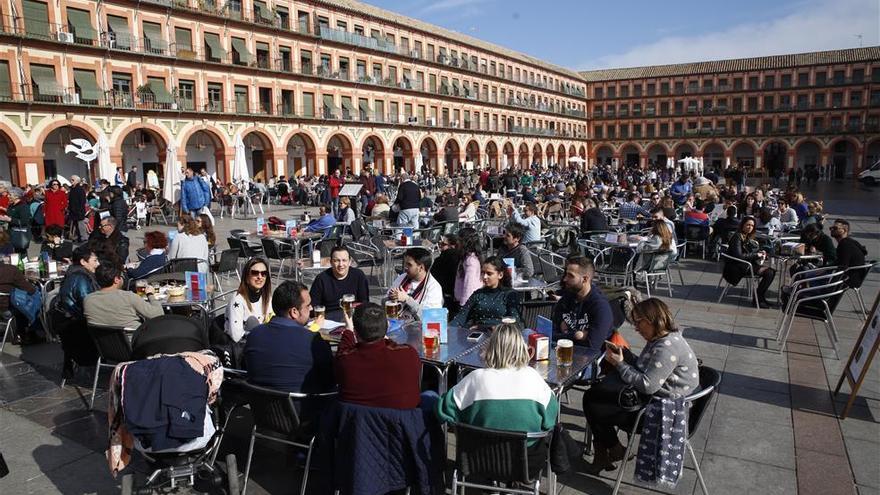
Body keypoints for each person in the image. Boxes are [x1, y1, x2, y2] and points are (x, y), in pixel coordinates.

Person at [582, 298, 698, 470]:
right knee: (596, 397)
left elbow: (648, 385)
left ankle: (613, 449)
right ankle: (606, 453)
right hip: (661, 398)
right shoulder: (665, 338)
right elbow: (650, 368)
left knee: (592, 402)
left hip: (660, 410)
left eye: (638, 322)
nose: (636, 328)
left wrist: (620, 364)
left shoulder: (666, 347)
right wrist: (626, 357)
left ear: (651, 320)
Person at [436, 322, 558, 458]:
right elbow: (550, 420)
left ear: (491, 348)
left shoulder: (475, 378)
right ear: (521, 349)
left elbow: (442, 410)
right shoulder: (534, 378)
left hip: (480, 459)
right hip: (525, 462)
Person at [243, 281, 335, 412]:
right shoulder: (312, 341)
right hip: (304, 416)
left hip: (263, 415)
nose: (311, 308)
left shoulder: (254, 335)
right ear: (294, 312)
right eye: (308, 305)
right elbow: (330, 379)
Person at [335, 302, 421, 409]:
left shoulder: (345, 360)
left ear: (356, 333)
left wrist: (348, 331)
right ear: (386, 327)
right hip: (402, 423)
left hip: (359, 423)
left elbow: (343, 351)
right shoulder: (409, 355)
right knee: (430, 395)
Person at [551, 255, 613, 349]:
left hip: (585, 358)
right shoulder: (567, 298)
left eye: (571, 276)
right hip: (559, 350)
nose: (565, 279)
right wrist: (576, 335)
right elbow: (551, 333)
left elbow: (592, 346)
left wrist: (563, 336)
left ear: (585, 279)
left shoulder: (600, 307)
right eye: (566, 274)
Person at [83, 263, 164, 329]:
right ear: (116, 280)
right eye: (122, 276)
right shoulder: (128, 297)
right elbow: (158, 314)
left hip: (104, 346)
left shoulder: (88, 300)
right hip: (135, 342)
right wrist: (150, 294)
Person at [450, 256, 521, 329]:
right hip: (478, 336)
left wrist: (486, 327)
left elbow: (515, 322)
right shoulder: (478, 294)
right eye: (483, 273)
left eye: (489, 274)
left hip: (500, 336)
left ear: (500, 275)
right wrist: (447, 329)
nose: (484, 277)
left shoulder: (509, 295)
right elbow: (461, 316)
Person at [723, 217, 776, 308]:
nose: (750, 227)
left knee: (771, 271)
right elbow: (738, 256)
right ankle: (758, 299)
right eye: (748, 225)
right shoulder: (737, 237)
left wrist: (760, 252)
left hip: (745, 264)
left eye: (752, 225)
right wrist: (756, 255)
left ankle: (760, 298)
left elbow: (748, 251)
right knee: (769, 272)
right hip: (736, 267)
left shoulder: (746, 236)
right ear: (742, 225)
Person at [309, 246, 369, 320]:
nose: (341, 264)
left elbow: (365, 303)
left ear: (350, 262)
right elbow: (313, 306)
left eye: (344, 260)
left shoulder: (358, 275)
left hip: (353, 318)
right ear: (331, 262)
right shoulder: (321, 279)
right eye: (336, 260)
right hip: (328, 319)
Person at [387, 248, 443, 320]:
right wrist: (390, 298)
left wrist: (407, 299)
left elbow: (430, 318)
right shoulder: (402, 278)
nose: (405, 267)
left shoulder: (434, 288)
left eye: (409, 265)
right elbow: (384, 301)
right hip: (396, 323)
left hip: (417, 329)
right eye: (405, 263)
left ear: (421, 268)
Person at [225, 257, 273, 343]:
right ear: (247, 277)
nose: (260, 277)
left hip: (264, 342)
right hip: (243, 346)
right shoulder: (237, 300)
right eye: (255, 273)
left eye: (264, 273)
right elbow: (236, 336)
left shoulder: (267, 298)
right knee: (252, 321)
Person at [56, 245, 100, 322]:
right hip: (75, 323)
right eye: (95, 260)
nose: (98, 264)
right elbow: (88, 303)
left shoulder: (77, 273)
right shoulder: (80, 278)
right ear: (83, 262)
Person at [830, 219, 868, 286]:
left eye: (835, 228)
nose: (832, 230)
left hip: (849, 279)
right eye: (831, 228)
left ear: (844, 230)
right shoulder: (849, 242)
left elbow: (843, 266)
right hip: (854, 276)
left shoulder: (845, 244)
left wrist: (824, 269)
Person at [431, 233, 461, 313]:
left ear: (453, 246)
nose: (440, 246)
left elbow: (432, 278)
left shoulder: (441, 260)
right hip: (457, 298)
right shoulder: (463, 258)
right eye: (440, 243)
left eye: (443, 244)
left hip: (444, 297)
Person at [453, 227, 482, 306]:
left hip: (468, 304)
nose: (457, 242)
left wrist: (464, 306)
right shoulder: (467, 258)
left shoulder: (470, 261)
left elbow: (469, 285)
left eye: (459, 240)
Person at [67, 175, 88, 241]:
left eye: (73, 180)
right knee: (76, 225)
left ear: (77, 181)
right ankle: (79, 237)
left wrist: (79, 210)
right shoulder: (72, 189)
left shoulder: (80, 189)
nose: (71, 181)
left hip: (79, 211)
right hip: (73, 211)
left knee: (80, 225)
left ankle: (83, 238)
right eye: (71, 179)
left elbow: (82, 201)